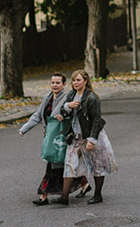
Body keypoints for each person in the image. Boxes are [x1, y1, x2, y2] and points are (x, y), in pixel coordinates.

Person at [19, 73, 88, 205]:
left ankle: (43, 195)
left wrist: (64, 116)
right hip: (51, 136)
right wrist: (24, 129)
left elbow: (72, 114)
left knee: (53, 164)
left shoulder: (68, 97)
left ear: (63, 84)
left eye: (57, 83)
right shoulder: (47, 97)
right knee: (61, 164)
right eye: (52, 83)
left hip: (63, 136)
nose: (54, 85)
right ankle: (84, 184)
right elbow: (38, 115)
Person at [52, 69, 117, 206]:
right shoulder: (71, 95)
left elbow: (97, 120)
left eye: (78, 80)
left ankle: (98, 195)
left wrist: (92, 140)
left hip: (91, 136)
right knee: (69, 164)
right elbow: (63, 112)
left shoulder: (91, 98)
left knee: (97, 165)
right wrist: (68, 106)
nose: (75, 83)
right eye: (74, 80)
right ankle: (64, 197)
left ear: (85, 81)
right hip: (75, 137)